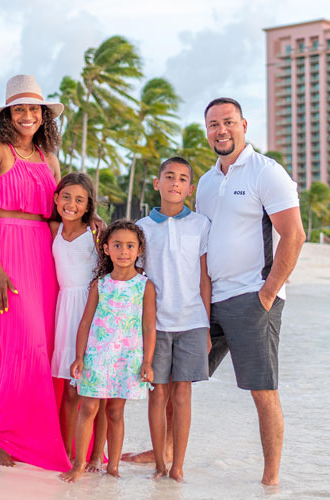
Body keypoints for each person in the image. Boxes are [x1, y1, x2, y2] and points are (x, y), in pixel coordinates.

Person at [196, 97, 306, 485]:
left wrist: (267, 293)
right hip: (212, 300)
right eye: (213, 124)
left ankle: (270, 479)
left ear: (243, 125)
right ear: (206, 130)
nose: (221, 130)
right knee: (178, 376)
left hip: (253, 297)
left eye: (228, 122)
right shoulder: (207, 182)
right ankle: (167, 454)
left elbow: (294, 235)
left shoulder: (267, 173)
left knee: (262, 390)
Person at [0, 74, 71, 471]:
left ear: (43, 115)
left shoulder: (48, 157)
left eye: (34, 109)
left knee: (45, 348)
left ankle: (42, 435)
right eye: (20, 108)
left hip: (44, 256)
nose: (27, 115)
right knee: (21, 347)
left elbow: (58, 213)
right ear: (8, 113)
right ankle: (1, 435)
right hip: (5, 250)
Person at [60, 220, 156, 483]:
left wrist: (147, 362)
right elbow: (85, 323)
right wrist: (79, 357)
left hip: (127, 358)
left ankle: (113, 467)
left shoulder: (144, 286)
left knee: (115, 412)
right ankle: (79, 464)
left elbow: (149, 326)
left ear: (138, 251)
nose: (123, 251)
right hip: (97, 356)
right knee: (88, 408)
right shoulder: (99, 285)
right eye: (117, 245)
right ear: (106, 249)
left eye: (129, 246)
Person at [136, 157, 212, 482]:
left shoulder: (201, 225)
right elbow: (136, 278)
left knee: (182, 395)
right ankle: (159, 465)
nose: (175, 183)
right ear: (157, 183)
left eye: (182, 179)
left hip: (193, 321)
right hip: (155, 325)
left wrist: (207, 325)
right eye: (169, 177)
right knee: (158, 394)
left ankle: (177, 466)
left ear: (190, 189)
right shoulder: (141, 228)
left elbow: (205, 279)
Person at [49, 172, 107, 470]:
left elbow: (108, 270)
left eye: (80, 200)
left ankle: (96, 457)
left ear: (88, 206)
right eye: (66, 196)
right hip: (64, 310)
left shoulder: (96, 232)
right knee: (69, 390)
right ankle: (67, 453)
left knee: (95, 390)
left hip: (90, 310)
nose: (71, 203)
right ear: (56, 198)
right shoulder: (53, 228)